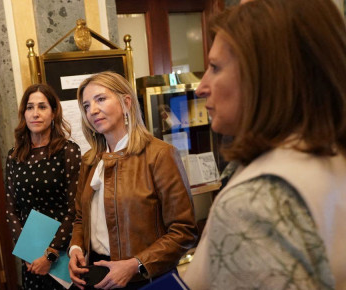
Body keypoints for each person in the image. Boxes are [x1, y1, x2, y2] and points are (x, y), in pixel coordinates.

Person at [183, 0, 346, 288]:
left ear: (265, 76)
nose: (201, 87)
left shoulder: (252, 206)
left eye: (215, 67)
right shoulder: (330, 154)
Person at [69, 71, 198, 289]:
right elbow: (81, 219)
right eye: (87, 105)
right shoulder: (90, 161)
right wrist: (75, 249)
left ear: (126, 102)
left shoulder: (159, 155)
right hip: (97, 276)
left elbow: (184, 231)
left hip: (145, 279)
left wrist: (135, 264)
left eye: (101, 99)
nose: (93, 110)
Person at [5, 83, 81, 289]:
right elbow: (11, 209)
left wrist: (50, 255)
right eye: (30, 107)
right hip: (30, 258)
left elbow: (74, 210)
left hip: (62, 255)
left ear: (54, 112)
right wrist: (28, 253)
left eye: (42, 107)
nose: (35, 114)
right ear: (24, 113)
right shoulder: (14, 155)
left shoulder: (69, 151)